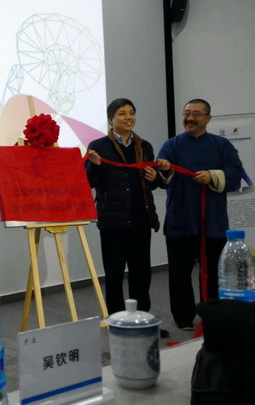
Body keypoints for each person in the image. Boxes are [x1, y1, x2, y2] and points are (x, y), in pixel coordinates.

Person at [157, 99, 243, 330]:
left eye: (196, 114)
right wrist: (164, 170)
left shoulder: (222, 145)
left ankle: (213, 313)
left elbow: (235, 173)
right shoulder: (171, 145)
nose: (190, 118)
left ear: (208, 118)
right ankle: (183, 317)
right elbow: (161, 180)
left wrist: (213, 176)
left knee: (215, 272)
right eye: (186, 113)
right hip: (180, 220)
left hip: (213, 221)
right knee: (179, 273)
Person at [85, 98, 170, 323]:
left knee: (141, 273)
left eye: (132, 112)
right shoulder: (98, 146)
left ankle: (142, 320)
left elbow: (152, 184)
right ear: (110, 119)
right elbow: (89, 182)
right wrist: (95, 165)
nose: (128, 117)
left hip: (141, 218)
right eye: (122, 113)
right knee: (114, 275)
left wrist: (155, 177)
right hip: (112, 221)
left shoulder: (144, 146)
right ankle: (116, 321)